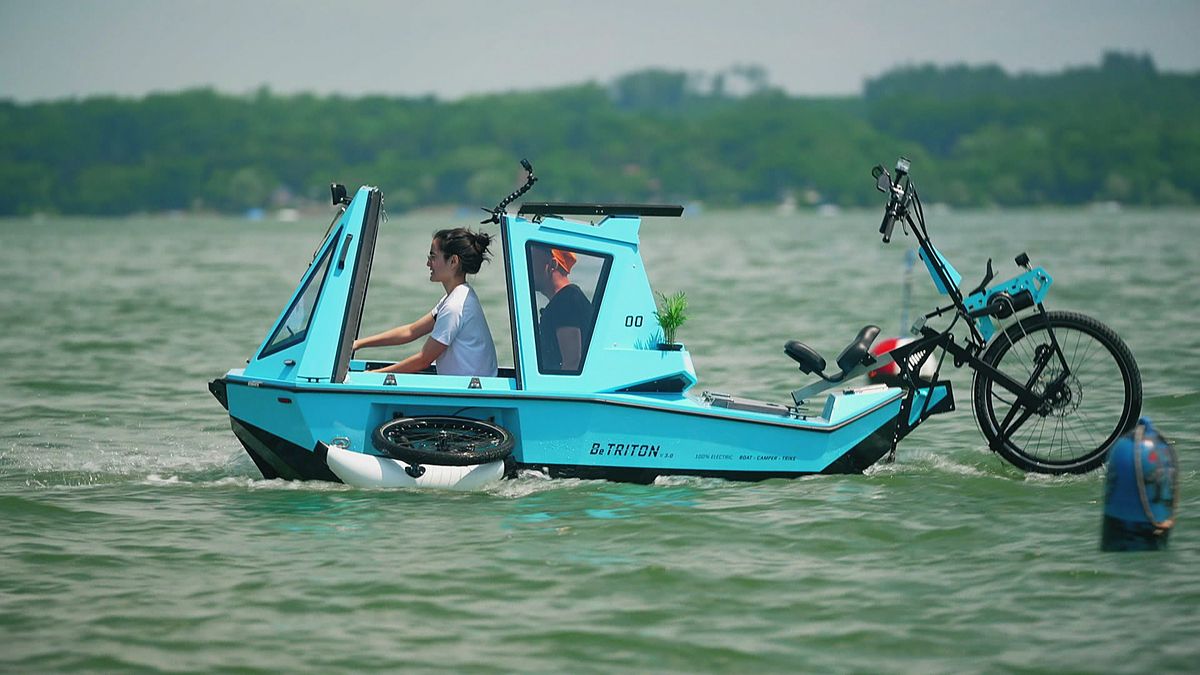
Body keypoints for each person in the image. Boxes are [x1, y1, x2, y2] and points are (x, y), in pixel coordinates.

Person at [353, 228, 498, 376]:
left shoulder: (455, 306)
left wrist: (373, 375)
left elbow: (423, 360)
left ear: (453, 261)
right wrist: (358, 344)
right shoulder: (455, 297)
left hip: (470, 396)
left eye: (433, 257)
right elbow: (411, 331)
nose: (428, 263)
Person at [530, 245, 593, 372]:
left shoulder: (565, 301)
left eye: (531, 261)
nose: (527, 268)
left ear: (552, 264)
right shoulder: (566, 298)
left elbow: (572, 362)